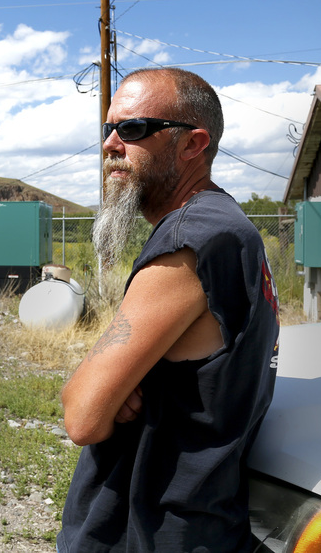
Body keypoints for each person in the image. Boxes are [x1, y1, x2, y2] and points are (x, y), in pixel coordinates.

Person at [56, 67, 280, 552]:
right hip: (200, 526)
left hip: (145, 532)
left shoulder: (190, 239)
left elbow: (83, 414)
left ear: (193, 143)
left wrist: (109, 387)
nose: (110, 144)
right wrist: (127, 382)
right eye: (108, 128)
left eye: (133, 128)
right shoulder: (228, 226)